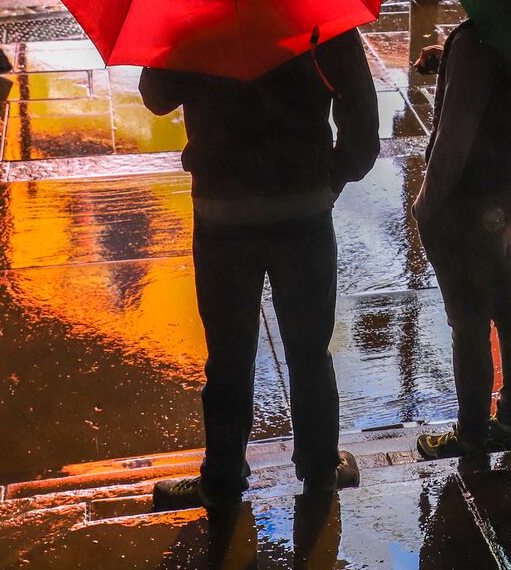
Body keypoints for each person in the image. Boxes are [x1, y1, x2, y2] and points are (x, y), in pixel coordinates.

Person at [142, 29, 380, 509]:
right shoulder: (320, 13)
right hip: (303, 212)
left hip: (223, 212)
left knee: (228, 357)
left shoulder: (200, 15)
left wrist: (175, 34)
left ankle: (223, 479)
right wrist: (329, 179)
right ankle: (320, 470)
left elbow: (157, 95)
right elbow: (362, 127)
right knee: (310, 351)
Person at [410, 17, 511, 459]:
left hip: (467, 202)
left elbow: (454, 138)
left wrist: (426, 205)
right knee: (508, 302)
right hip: (506, 193)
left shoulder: (475, 40)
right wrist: (450, 54)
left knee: (469, 322)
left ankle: (471, 433)